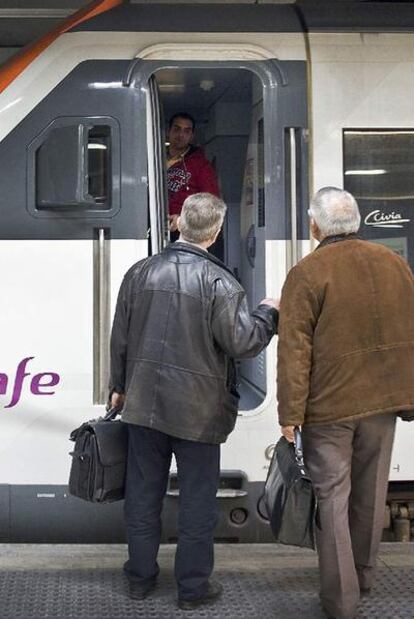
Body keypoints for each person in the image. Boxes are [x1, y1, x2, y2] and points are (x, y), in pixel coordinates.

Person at [109, 192, 278, 610]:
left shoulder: (140, 272)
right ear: (216, 232)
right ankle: (192, 588)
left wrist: (118, 385)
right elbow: (243, 342)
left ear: (179, 223)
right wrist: (268, 313)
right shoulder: (221, 282)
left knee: (143, 495)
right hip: (199, 413)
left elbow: (121, 337)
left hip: (143, 404)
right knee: (197, 502)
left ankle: (140, 579)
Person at [276, 187, 414, 619]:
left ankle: (341, 600)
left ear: (314, 226)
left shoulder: (307, 273)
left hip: (329, 408)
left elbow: (294, 351)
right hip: (382, 403)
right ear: (356, 222)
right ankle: (365, 575)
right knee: (372, 493)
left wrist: (289, 414)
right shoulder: (395, 264)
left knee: (332, 498)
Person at [167, 112, 219, 235]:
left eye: (187, 131)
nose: (181, 135)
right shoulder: (154, 159)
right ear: (168, 131)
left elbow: (211, 203)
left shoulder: (201, 165)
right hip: (152, 226)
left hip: (185, 232)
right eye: (177, 129)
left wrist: (182, 220)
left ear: (191, 136)